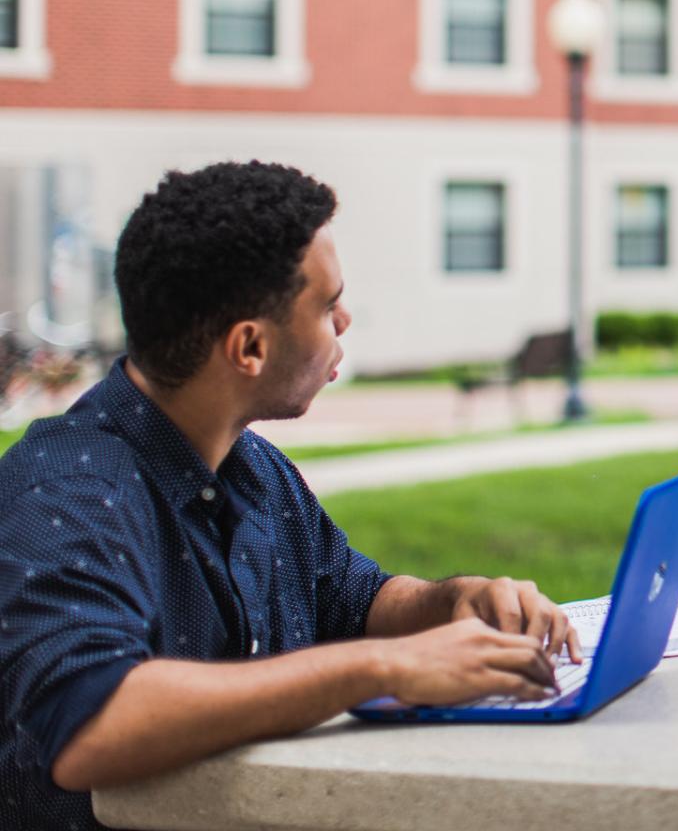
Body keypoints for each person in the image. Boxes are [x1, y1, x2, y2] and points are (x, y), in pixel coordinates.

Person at [0, 162, 581, 831]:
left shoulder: (250, 466)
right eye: (327, 304)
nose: (345, 318)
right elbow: (90, 725)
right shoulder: (66, 494)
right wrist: (385, 666)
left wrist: (451, 603)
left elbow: (353, 600)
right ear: (249, 346)